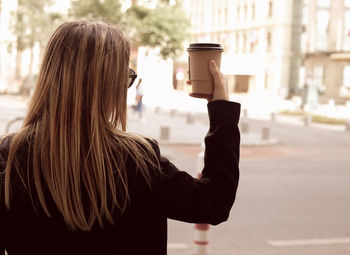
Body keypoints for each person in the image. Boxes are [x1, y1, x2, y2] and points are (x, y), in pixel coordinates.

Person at [0, 20, 240, 255]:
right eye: (126, 77)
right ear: (108, 86)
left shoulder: (8, 160)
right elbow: (215, 202)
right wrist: (221, 111)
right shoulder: (138, 160)